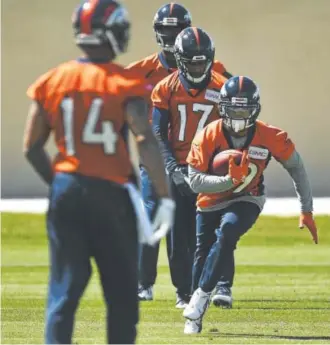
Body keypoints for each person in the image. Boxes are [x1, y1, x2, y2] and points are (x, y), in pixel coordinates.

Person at [23, 1, 175, 343]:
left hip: (68, 189)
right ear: (110, 32)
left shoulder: (53, 79)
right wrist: (164, 196)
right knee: (121, 296)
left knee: (63, 293)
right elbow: (145, 140)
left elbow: (31, 147)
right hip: (112, 195)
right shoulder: (124, 81)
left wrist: (61, 183)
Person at [182, 75, 318, 334]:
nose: (239, 116)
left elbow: (297, 169)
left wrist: (306, 209)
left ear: (255, 109)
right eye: (234, 109)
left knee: (228, 232)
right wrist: (226, 180)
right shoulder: (208, 135)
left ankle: (200, 299)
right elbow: (195, 182)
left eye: (244, 109)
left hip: (248, 197)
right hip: (210, 200)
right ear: (222, 108)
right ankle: (195, 314)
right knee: (202, 253)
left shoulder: (270, 135)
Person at [125, 3, 233, 303]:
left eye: (177, 30)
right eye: (166, 31)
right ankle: (143, 282)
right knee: (151, 214)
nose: (171, 36)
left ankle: (213, 285)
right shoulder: (142, 71)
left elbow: (236, 97)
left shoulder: (215, 72)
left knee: (204, 223)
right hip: (155, 154)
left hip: (199, 161)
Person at [151, 27, 228, 309]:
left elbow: (233, 132)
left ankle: (221, 285)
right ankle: (184, 292)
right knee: (178, 235)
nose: (197, 66)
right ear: (180, 60)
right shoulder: (165, 88)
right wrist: (172, 168)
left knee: (220, 229)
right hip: (180, 167)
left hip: (211, 168)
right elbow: (157, 133)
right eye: (191, 61)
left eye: (201, 60)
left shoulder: (222, 88)